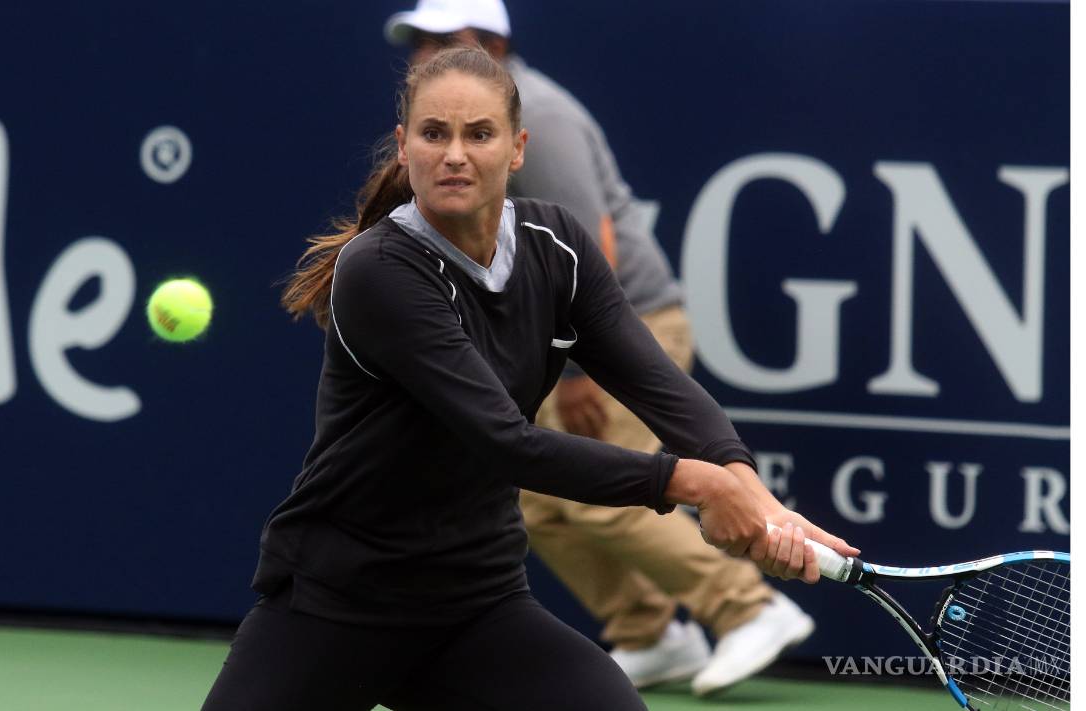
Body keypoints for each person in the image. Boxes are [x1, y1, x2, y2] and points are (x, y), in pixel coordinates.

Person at [202, 46, 855, 710]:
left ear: (517, 148)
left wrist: (752, 492)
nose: (455, 153)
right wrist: (692, 481)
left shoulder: (558, 247)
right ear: (404, 147)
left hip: (474, 608)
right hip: (336, 603)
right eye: (435, 133)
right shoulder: (379, 270)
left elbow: (661, 386)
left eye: (479, 134)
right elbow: (506, 440)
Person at [383, 0, 820, 695]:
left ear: (490, 43)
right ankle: (650, 630)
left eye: (442, 38)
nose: (423, 54)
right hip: (561, 332)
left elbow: (593, 248)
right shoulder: (466, 125)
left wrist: (581, 371)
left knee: (588, 496)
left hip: (625, 324)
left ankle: (752, 608)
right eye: (421, 41)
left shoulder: (540, 117)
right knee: (535, 499)